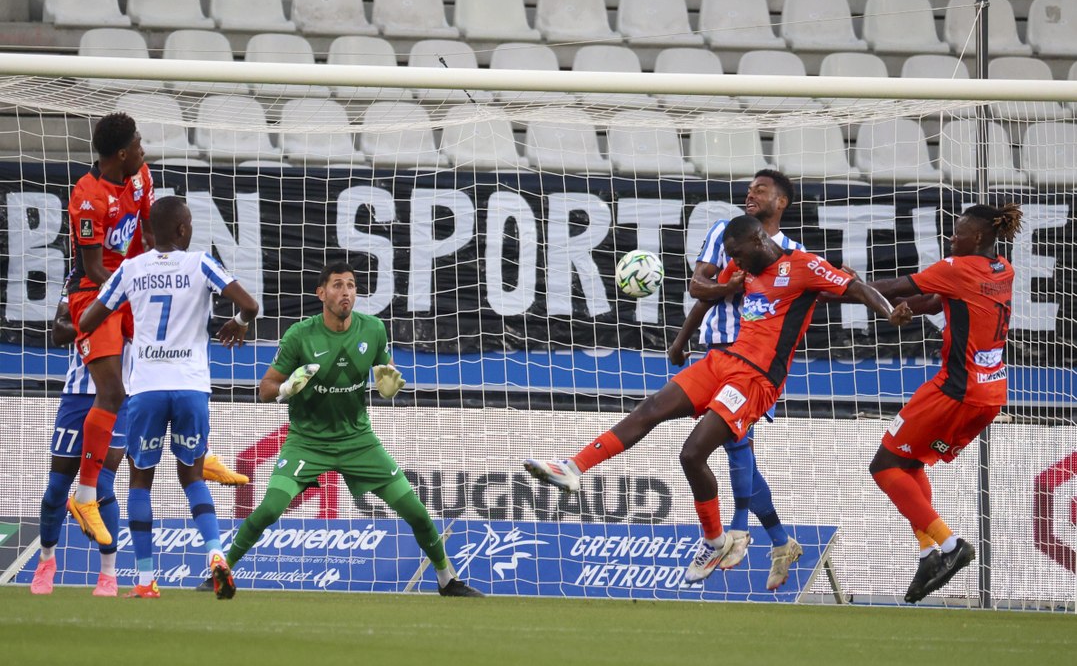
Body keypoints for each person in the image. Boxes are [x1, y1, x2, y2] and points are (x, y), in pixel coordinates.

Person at [528, 216, 912, 587]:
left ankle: (718, 540)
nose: (735, 260)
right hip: (720, 360)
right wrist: (680, 342)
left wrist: (890, 312)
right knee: (651, 409)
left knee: (692, 453)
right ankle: (573, 467)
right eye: (730, 254)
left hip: (755, 379)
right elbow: (706, 300)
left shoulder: (803, 265)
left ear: (759, 241)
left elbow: (856, 288)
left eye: (737, 252)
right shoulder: (744, 269)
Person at [222, 262, 483, 598]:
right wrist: (287, 389)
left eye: (351, 285)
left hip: (358, 442)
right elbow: (265, 388)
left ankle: (447, 579)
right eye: (337, 285)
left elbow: (386, 372)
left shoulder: (372, 330)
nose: (345, 292)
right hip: (307, 442)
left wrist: (389, 386)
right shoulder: (300, 335)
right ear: (321, 293)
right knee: (270, 509)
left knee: (417, 512)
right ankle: (221, 569)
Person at [79, 196, 259, 599]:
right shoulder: (199, 263)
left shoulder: (130, 268)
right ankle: (215, 554)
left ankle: (144, 580)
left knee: (140, 481)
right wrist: (239, 322)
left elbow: (88, 319)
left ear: (148, 233)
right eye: (191, 223)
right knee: (192, 476)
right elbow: (250, 304)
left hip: (146, 388)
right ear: (181, 230)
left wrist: (124, 333)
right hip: (191, 386)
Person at [859, 203, 1022, 603]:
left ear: (979, 236)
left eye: (959, 230)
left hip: (954, 390)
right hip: (990, 394)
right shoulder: (1002, 269)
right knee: (909, 463)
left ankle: (949, 547)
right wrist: (908, 311)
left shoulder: (957, 267)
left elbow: (900, 286)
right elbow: (934, 302)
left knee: (883, 466)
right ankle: (928, 552)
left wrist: (847, 287)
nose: (952, 237)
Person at [665, 169, 803, 588]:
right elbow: (700, 286)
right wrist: (683, 338)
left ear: (781, 202)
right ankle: (778, 540)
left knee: (735, 444)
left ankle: (740, 532)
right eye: (748, 189)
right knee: (736, 446)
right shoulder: (726, 233)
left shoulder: (794, 253)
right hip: (715, 354)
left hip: (756, 363)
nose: (750, 194)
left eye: (760, 189)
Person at [65, 112, 154, 547]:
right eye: (139, 142)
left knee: (168, 360)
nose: (144, 148)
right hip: (96, 294)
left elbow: (147, 233)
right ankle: (84, 496)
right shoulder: (87, 197)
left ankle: (201, 451)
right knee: (112, 393)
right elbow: (94, 266)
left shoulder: (141, 178)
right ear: (122, 152)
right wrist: (135, 288)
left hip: (132, 286)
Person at [31, 291, 129, 597]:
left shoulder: (137, 278)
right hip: (77, 396)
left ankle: (108, 574)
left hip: (119, 397)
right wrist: (99, 316)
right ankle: (46, 560)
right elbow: (59, 331)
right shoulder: (79, 285)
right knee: (58, 487)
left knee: (103, 486)